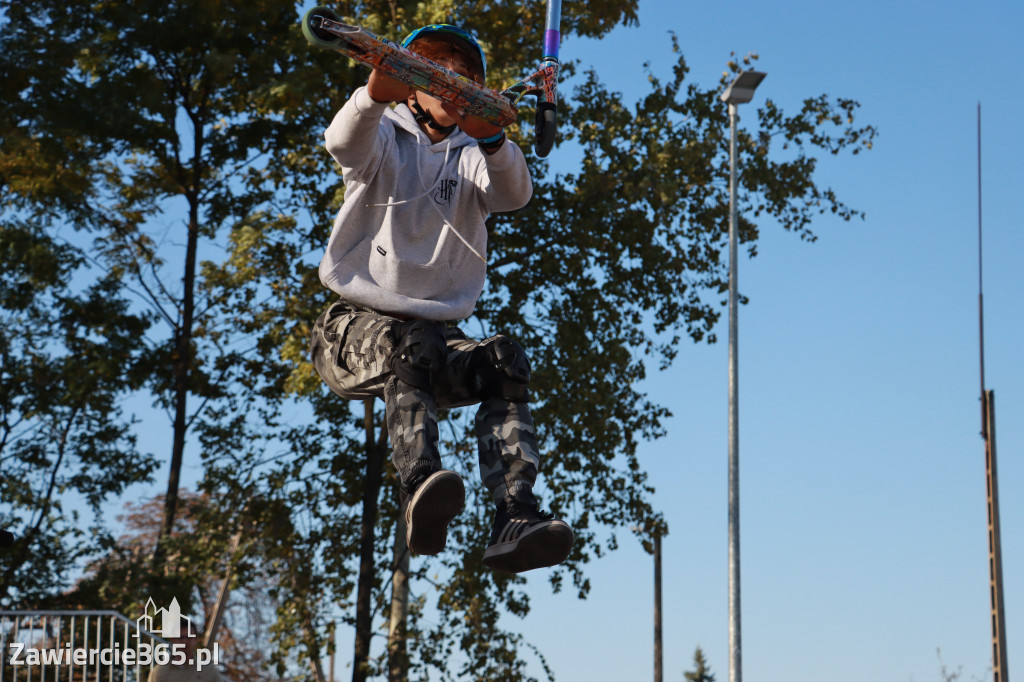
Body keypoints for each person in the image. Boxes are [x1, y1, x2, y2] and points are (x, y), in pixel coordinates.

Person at [309, 23, 573, 573]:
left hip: (437, 344)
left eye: (464, 76)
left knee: (502, 359)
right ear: (413, 88)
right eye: (437, 72)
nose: (451, 82)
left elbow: (513, 193)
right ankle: (420, 485)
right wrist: (374, 94)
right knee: (415, 340)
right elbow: (342, 142)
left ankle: (513, 515)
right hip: (352, 329)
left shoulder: (472, 154)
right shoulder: (386, 134)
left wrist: (494, 137)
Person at [147, 624, 222, 682]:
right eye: (180, 637)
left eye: (189, 637)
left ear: (196, 639)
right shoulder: (159, 671)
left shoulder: (209, 670)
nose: (184, 641)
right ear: (173, 640)